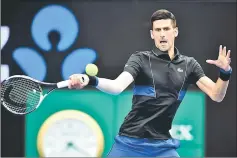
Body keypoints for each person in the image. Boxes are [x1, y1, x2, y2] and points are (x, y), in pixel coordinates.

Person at [68, 9, 232, 157]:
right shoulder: (140, 59)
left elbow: (216, 95)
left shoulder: (189, 65)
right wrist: (90, 80)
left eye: (166, 29)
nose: (162, 34)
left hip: (163, 147)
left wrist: (225, 73)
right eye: (158, 30)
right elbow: (117, 86)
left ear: (175, 32)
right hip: (129, 143)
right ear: (152, 34)